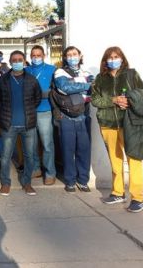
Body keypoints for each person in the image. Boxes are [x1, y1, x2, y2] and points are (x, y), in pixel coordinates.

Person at [91, 46, 143, 213]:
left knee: (134, 160)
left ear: (122, 58)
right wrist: (114, 100)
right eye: (110, 57)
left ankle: (138, 197)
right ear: (105, 61)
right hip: (108, 124)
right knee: (115, 159)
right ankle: (118, 192)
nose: (113, 60)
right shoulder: (100, 79)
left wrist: (129, 101)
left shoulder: (131, 74)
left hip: (129, 123)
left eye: (116, 57)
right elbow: (95, 100)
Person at [0, 50, 42, 196]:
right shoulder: (2, 80)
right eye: (14, 60)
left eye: (20, 59)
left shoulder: (32, 79)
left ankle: (27, 183)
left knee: (29, 155)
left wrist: (29, 111)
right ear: (10, 61)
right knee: (6, 156)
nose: (17, 62)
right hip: (9, 125)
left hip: (28, 124)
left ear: (24, 61)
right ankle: (6, 183)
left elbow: (37, 98)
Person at [53, 46, 93, 193]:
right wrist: (85, 86)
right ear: (65, 57)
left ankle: (83, 181)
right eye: (68, 55)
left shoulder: (87, 72)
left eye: (74, 54)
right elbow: (64, 88)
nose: (72, 57)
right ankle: (70, 180)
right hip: (67, 117)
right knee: (68, 150)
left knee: (84, 150)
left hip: (84, 116)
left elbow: (93, 92)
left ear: (80, 55)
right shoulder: (60, 72)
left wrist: (75, 84)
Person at [25, 45, 57, 185]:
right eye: (33, 55)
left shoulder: (52, 70)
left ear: (43, 56)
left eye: (38, 55)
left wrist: (43, 94)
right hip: (29, 112)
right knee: (31, 144)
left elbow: (56, 89)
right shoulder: (25, 70)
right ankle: (36, 169)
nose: (36, 57)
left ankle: (50, 173)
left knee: (47, 144)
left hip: (45, 111)